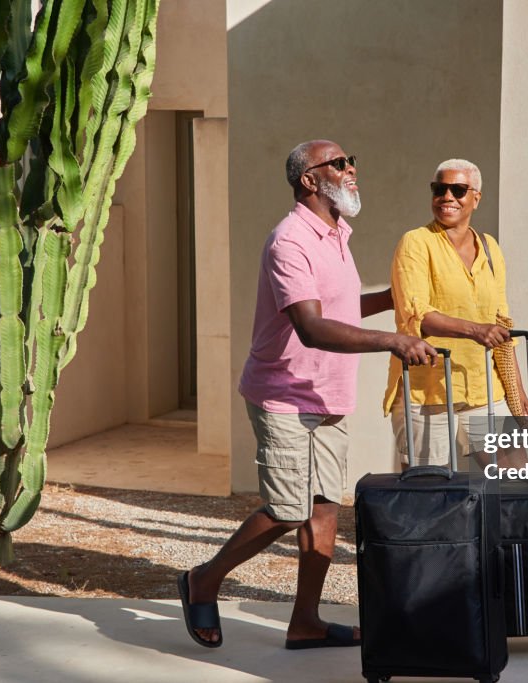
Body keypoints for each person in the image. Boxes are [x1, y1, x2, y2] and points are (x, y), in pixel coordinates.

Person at [178, 140, 437, 650]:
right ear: (309, 180)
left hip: (328, 393)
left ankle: (305, 623)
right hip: (284, 395)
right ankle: (203, 580)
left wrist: (394, 299)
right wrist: (394, 340)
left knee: (323, 510)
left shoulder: (338, 233)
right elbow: (313, 328)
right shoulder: (289, 241)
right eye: (339, 163)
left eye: (352, 160)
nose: (352, 169)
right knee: (286, 509)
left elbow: (339, 310)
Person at [383, 158, 528, 468]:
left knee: (516, 477)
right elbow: (416, 314)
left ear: (476, 198)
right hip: (427, 390)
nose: (447, 197)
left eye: (458, 190)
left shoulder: (490, 248)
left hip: (483, 387)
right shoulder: (416, 243)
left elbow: (502, 322)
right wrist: (475, 330)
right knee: (427, 494)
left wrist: (516, 388)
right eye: (440, 189)